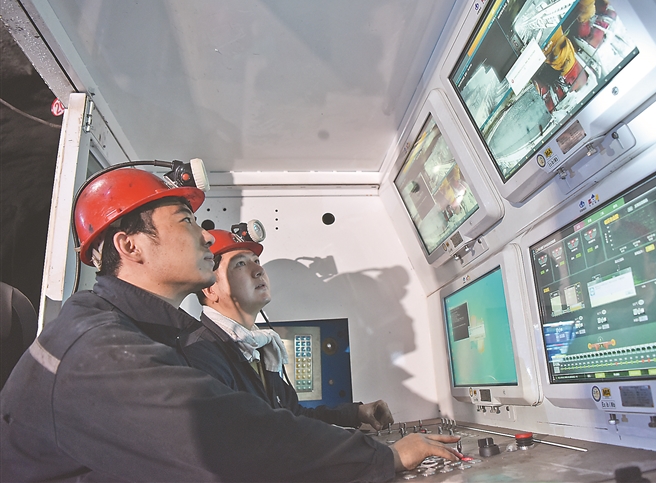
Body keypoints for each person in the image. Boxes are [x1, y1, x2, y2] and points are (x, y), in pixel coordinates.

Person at [0, 165, 459, 482]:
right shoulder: (95, 347)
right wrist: (384, 457)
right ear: (130, 246)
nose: (205, 234)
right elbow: (230, 437)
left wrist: (354, 420)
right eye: (186, 220)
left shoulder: (148, 333)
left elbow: (270, 422)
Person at [181, 228, 393, 431]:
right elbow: (245, 439)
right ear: (210, 289)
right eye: (240, 264)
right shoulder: (202, 355)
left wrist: (355, 413)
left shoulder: (259, 346)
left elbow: (292, 417)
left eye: (256, 261)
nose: (258, 270)